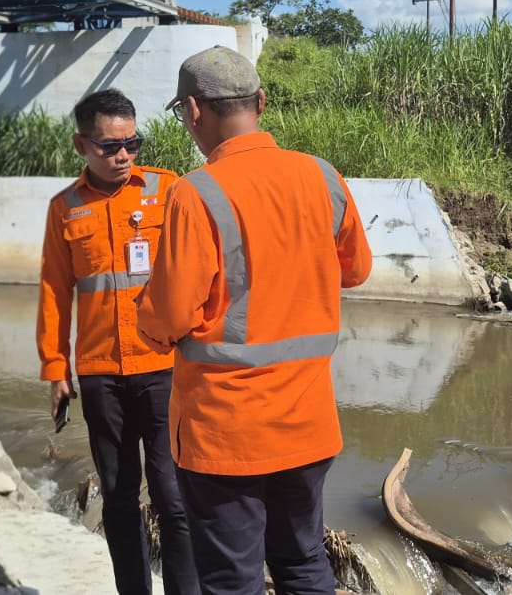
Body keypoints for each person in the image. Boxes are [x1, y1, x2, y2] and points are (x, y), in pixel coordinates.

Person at [136, 46, 372, 595]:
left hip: (226, 433)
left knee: (231, 579)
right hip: (309, 424)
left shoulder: (195, 193)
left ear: (193, 112)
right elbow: (355, 270)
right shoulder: (323, 176)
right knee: (304, 563)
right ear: (260, 102)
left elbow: (169, 316)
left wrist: (147, 322)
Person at [37, 89, 199, 595]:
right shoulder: (65, 209)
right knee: (119, 497)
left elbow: (200, 273)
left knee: (175, 499)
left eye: (132, 143)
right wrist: (54, 370)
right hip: (102, 374)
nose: (124, 155)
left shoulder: (169, 191)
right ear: (81, 145)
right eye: (110, 147)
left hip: (164, 369)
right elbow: (53, 292)